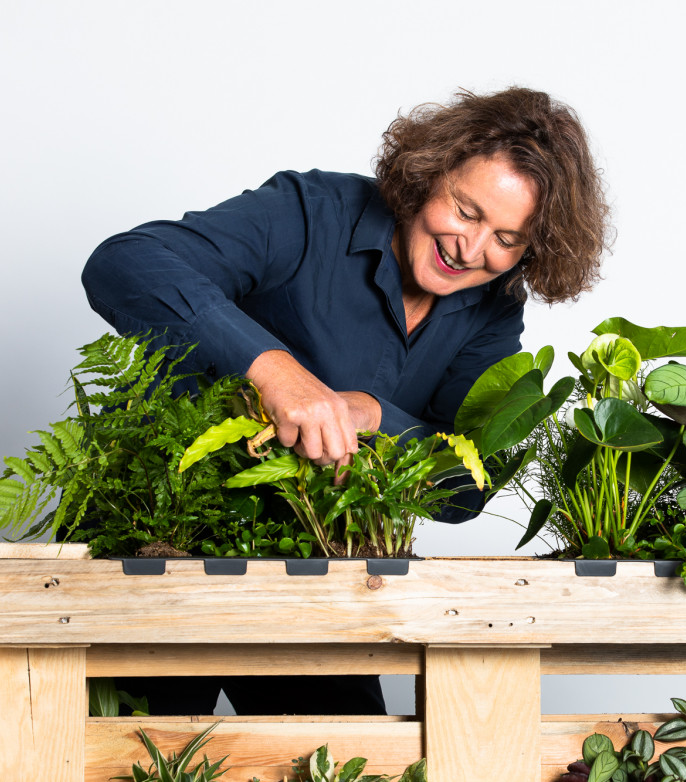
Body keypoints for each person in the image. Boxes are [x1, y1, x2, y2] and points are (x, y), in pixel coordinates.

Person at [81, 86, 611, 716]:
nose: (470, 250)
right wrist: (274, 372)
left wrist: (373, 414)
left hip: (315, 580)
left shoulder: (492, 314)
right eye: (466, 212)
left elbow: (466, 490)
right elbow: (123, 263)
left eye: (506, 238)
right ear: (429, 173)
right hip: (158, 550)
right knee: (114, 752)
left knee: (341, 756)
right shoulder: (313, 211)